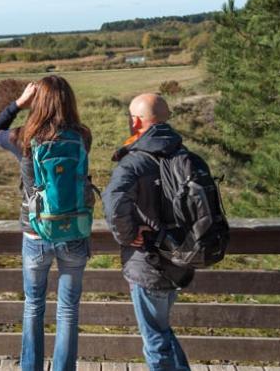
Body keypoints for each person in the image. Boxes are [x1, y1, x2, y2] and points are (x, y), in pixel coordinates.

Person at [0, 75, 93, 371]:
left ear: (38, 101)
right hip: (74, 231)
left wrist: (18, 103)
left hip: (36, 234)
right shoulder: (83, 136)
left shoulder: (23, 138)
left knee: (34, 306)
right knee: (69, 309)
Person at [102, 93, 194, 371]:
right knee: (162, 329)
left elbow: (113, 202)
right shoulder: (183, 154)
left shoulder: (134, 161)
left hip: (148, 260)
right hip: (180, 256)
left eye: (132, 116)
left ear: (137, 121)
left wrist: (128, 234)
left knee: (154, 339)